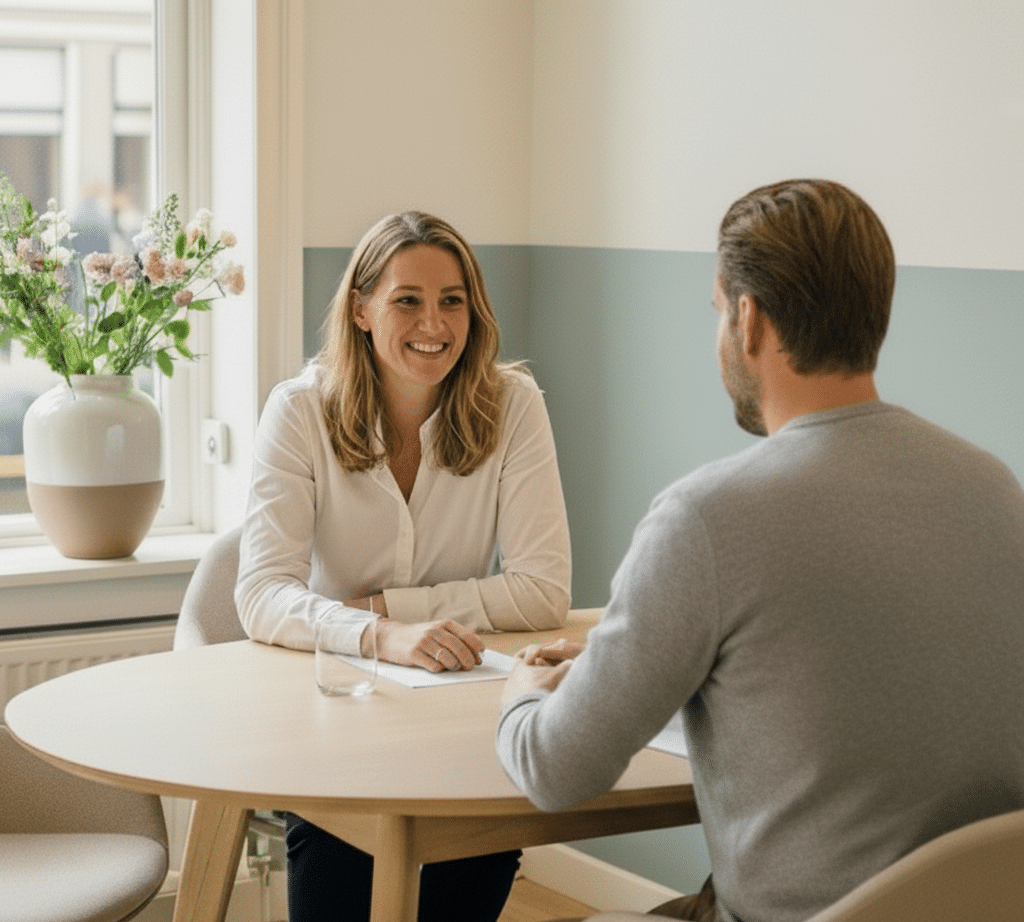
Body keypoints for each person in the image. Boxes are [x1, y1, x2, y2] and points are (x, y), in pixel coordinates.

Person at [496, 179, 1024, 922]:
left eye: (717, 310)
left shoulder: (706, 518)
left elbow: (554, 769)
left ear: (750, 321)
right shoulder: (995, 489)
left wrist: (520, 691)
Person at [236, 210, 572, 922]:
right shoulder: (299, 412)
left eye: (453, 300)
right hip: (335, 711)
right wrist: (375, 638)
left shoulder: (514, 405)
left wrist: (388, 609)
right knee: (339, 863)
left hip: (461, 711)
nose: (435, 323)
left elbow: (543, 592)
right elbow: (262, 593)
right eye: (407, 300)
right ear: (360, 310)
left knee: (483, 841)